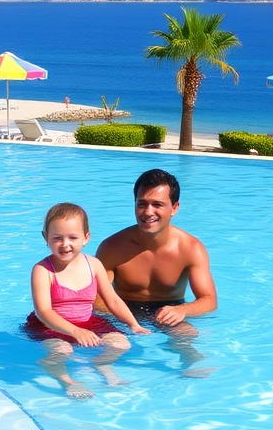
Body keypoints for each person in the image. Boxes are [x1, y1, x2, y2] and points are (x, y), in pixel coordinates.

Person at [96, 168, 217, 374]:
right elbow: (96, 297)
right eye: (142, 204)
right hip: (123, 310)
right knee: (111, 343)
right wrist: (125, 320)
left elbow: (209, 300)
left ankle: (190, 364)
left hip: (168, 310)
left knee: (187, 334)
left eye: (157, 205)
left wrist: (182, 310)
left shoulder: (190, 248)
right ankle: (104, 370)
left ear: (175, 208)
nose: (148, 212)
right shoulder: (112, 247)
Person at [25, 202, 149, 400]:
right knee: (62, 350)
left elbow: (113, 301)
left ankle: (103, 366)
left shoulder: (94, 265)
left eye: (73, 237)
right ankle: (68, 381)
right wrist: (75, 331)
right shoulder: (42, 270)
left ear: (86, 238)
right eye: (57, 238)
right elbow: (44, 312)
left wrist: (134, 324)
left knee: (121, 344)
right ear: (45, 238)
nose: (65, 244)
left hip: (87, 322)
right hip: (49, 326)